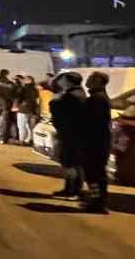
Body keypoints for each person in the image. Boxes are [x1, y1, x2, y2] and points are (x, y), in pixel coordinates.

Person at [78, 71, 113, 212]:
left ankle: (98, 203)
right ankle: (97, 201)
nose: (88, 80)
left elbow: (93, 122)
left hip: (95, 142)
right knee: (95, 172)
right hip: (98, 141)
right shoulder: (97, 97)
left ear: (98, 81)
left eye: (91, 78)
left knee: (94, 173)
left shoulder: (97, 99)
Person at [48, 72, 86, 197]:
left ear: (68, 81)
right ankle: (70, 189)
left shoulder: (72, 96)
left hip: (71, 134)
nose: (59, 82)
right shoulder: (76, 93)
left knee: (70, 162)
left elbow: (61, 112)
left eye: (62, 79)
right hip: (73, 133)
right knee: (72, 162)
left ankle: (73, 190)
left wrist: (54, 102)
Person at [15, 75, 40, 145]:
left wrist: (16, 105)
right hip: (32, 110)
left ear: (29, 81)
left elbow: (18, 97)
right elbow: (37, 101)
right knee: (29, 126)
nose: (24, 81)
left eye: (25, 79)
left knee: (21, 126)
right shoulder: (35, 90)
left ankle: (21, 140)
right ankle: (29, 140)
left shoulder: (23, 88)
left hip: (23, 109)